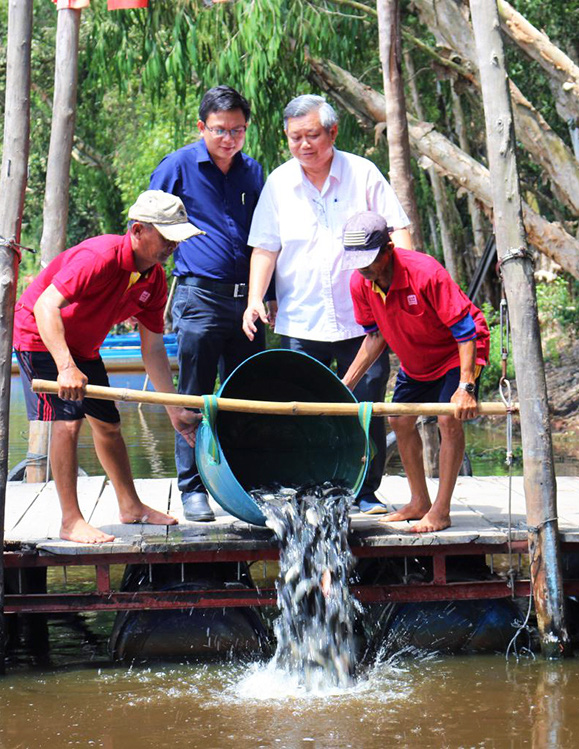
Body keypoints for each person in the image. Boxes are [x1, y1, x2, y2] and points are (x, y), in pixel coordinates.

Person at [242, 94, 411, 514]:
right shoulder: (280, 183)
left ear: (332, 132)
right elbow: (265, 248)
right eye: (295, 137)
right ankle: (310, 489)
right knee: (302, 406)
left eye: (312, 135)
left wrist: (403, 288)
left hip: (364, 321)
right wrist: (253, 300)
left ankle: (364, 491)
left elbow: (399, 231)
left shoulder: (363, 174)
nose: (304, 145)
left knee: (368, 405)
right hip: (302, 320)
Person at [14, 190, 204, 544]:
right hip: (40, 336)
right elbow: (45, 307)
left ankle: (130, 507)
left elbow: (152, 348)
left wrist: (174, 408)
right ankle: (70, 521)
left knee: (109, 425)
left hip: (83, 346)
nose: (171, 247)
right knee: (68, 422)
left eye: (176, 239)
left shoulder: (154, 280)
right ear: (137, 231)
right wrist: (66, 366)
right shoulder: (99, 258)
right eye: (166, 238)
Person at [150, 85, 266, 522]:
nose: (228, 138)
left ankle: (244, 482)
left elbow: (265, 237)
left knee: (247, 393)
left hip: (247, 302)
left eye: (237, 130)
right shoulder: (178, 166)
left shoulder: (253, 171)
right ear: (202, 127)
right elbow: (147, 220)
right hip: (199, 295)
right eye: (219, 130)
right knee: (194, 394)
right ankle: (192, 487)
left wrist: (263, 298)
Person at [338, 212, 490, 533]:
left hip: (457, 351)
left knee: (448, 418)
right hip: (417, 360)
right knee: (399, 419)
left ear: (388, 249)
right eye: (357, 261)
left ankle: (441, 511)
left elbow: (465, 331)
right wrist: (344, 386)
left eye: (369, 259)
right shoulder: (360, 283)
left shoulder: (425, 272)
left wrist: (466, 386)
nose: (363, 268)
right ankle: (419, 501)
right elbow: (375, 336)